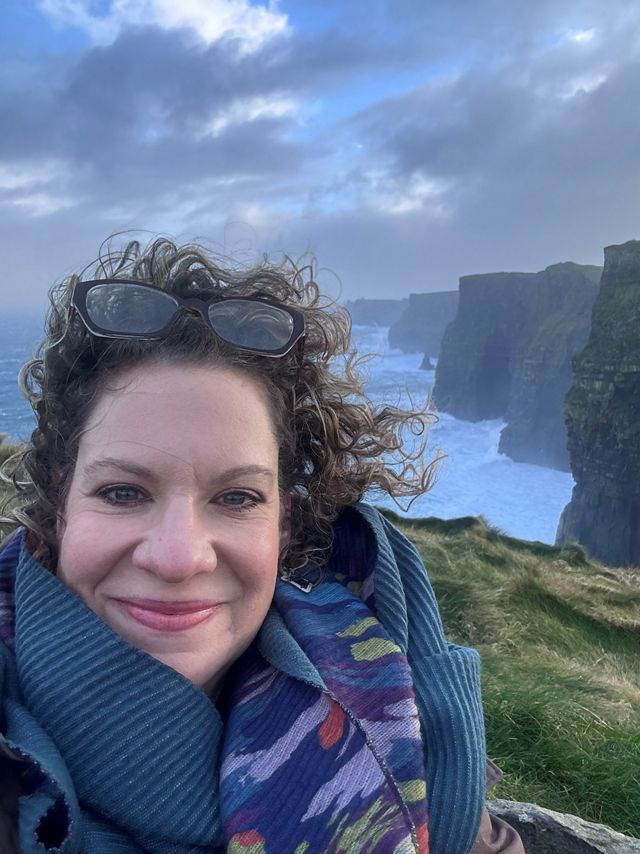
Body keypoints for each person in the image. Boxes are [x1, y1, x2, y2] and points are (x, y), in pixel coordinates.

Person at [0, 238, 523, 853]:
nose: (178, 557)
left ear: (284, 525)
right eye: (122, 492)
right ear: (58, 507)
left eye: (238, 498)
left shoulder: (403, 709)